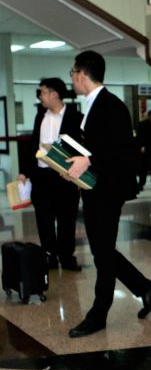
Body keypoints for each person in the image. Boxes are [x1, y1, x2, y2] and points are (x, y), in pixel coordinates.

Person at [66, 51, 151, 338]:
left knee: (102, 254)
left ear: (82, 74)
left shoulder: (111, 106)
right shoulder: (92, 105)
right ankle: (145, 287)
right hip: (95, 189)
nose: (72, 78)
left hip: (108, 192)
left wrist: (89, 160)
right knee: (101, 251)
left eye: (73, 73)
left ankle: (98, 314)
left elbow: (122, 153)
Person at [21, 78, 82, 271]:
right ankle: (49, 256)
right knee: (43, 219)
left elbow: (80, 148)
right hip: (41, 176)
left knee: (67, 218)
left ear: (54, 94)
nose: (40, 96)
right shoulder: (40, 116)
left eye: (43, 92)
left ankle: (66, 256)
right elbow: (33, 144)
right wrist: (24, 171)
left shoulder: (75, 117)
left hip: (64, 176)